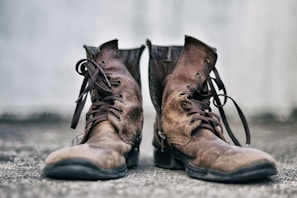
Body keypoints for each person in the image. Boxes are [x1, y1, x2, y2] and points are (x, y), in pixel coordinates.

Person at [44, 35, 277, 182]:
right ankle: (115, 132)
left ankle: (172, 137)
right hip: (116, 130)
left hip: (180, 132)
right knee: (112, 97)